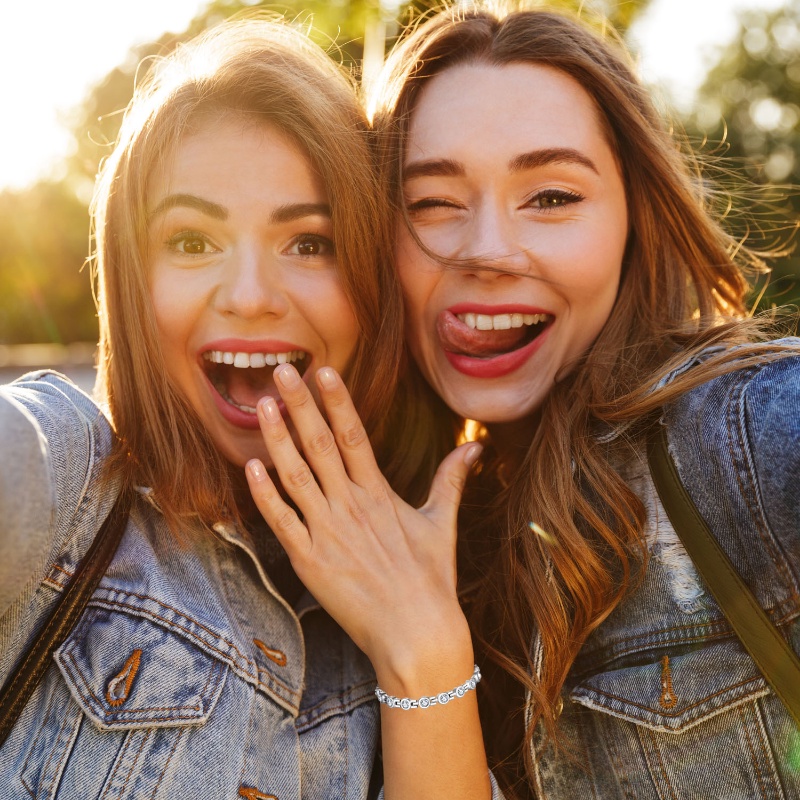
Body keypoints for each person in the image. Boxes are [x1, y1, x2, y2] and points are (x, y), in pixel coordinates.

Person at [246, 3, 800, 799]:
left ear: (633, 222)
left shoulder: (746, 437)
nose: (489, 251)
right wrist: (420, 646)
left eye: (551, 197)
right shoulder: (383, 531)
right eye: (432, 203)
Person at [0, 15, 449, 798]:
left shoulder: (443, 568)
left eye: (310, 242)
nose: (248, 297)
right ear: (133, 281)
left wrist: (425, 647)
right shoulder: (65, 477)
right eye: (192, 241)